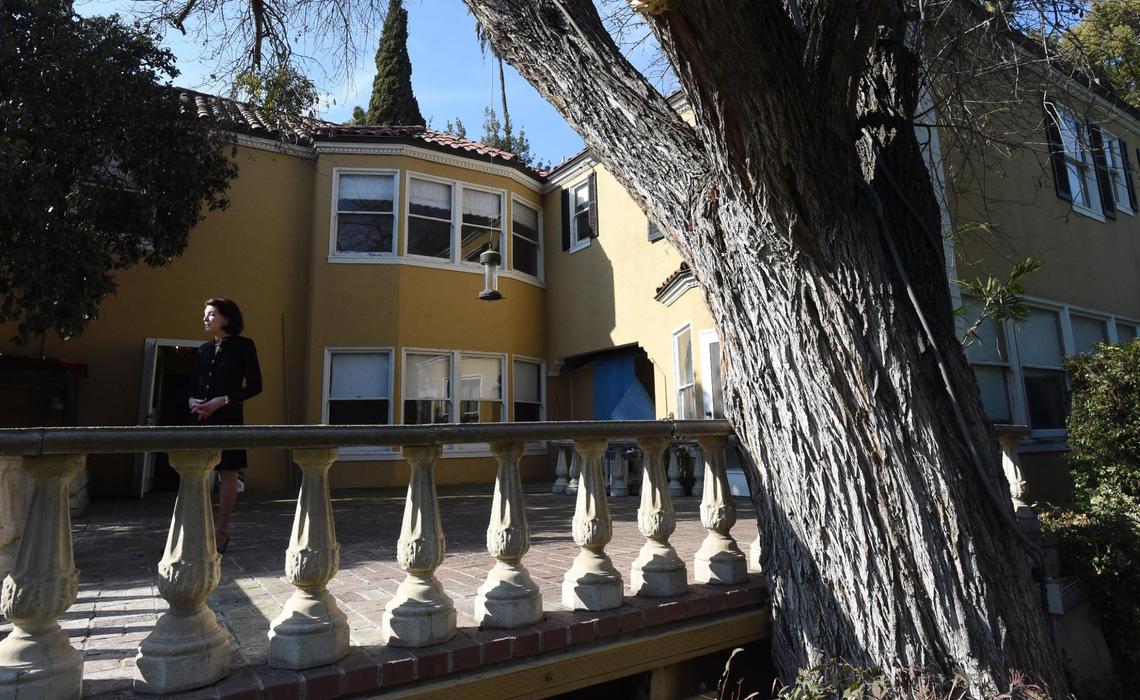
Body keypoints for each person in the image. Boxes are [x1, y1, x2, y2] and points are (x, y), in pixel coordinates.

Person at [189, 298, 262, 554]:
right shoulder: (203, 349)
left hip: (228, 416)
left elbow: (255, 386)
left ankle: (221, 531)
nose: (205, 318)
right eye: (205, 314)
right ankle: (196, 528)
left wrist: (223, 400)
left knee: (227, 472)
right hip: (201, 418)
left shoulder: (244, 346)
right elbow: (193, 385)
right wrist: (192, 401)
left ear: (227, 318)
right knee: (195, 472)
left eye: (211, 314)